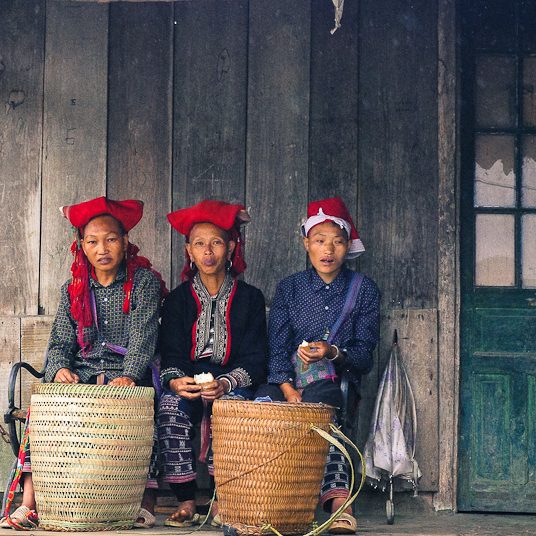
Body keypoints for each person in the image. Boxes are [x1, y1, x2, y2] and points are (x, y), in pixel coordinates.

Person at [1, 197, 166, 530]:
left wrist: (131, 376)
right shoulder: (73, 289)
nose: (102, 248)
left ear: (125, 242)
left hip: (125, 374)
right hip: (85, 374)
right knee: (45, 409)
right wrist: (59, 368)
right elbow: (60, 341)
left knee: (138, 412)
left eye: (111, 239)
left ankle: (141, 502)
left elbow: (143, 337)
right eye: (93, 241)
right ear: (82, 246)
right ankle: (30, 504)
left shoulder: (143, 283)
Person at [256, 197, 380, 534]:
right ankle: (265, 499)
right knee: (262, 407)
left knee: (322, 410)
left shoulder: (363, 290)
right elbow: (277, 344)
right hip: (284, 380)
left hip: (333, 381)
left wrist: (332, 352)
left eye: (338, 242)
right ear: (306, 243)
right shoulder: (290, 288)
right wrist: (285, 386)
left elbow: (364, 356)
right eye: (320, 240)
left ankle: (340, 501)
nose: (329, 250)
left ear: (348, 246)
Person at [158, 199, 267, 527]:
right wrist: (176, 381)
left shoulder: (250, 299)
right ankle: (186, 500)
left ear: (231, 247)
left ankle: (224, 499)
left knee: (232, 412)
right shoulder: (177, 300)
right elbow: (171, 355)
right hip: (189, 379)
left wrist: (226, 384)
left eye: (217, 243)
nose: (208, 252)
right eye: (200, 244)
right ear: (189, 250)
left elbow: (256, 358)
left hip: (232, 379)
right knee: (169, 408)